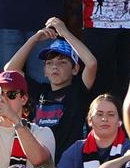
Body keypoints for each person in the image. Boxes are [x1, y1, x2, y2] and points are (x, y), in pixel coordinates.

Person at [5, 26, 97, 160]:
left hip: (69, 163)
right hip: (39, 161)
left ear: (75, 69)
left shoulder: (77, 90)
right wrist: (34, 39)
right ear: (44, 70)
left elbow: (91, 63)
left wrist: (65, 32)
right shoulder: (39, 92)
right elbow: (10, 70)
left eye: (62, 62)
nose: (55, 66)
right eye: (49, 63)